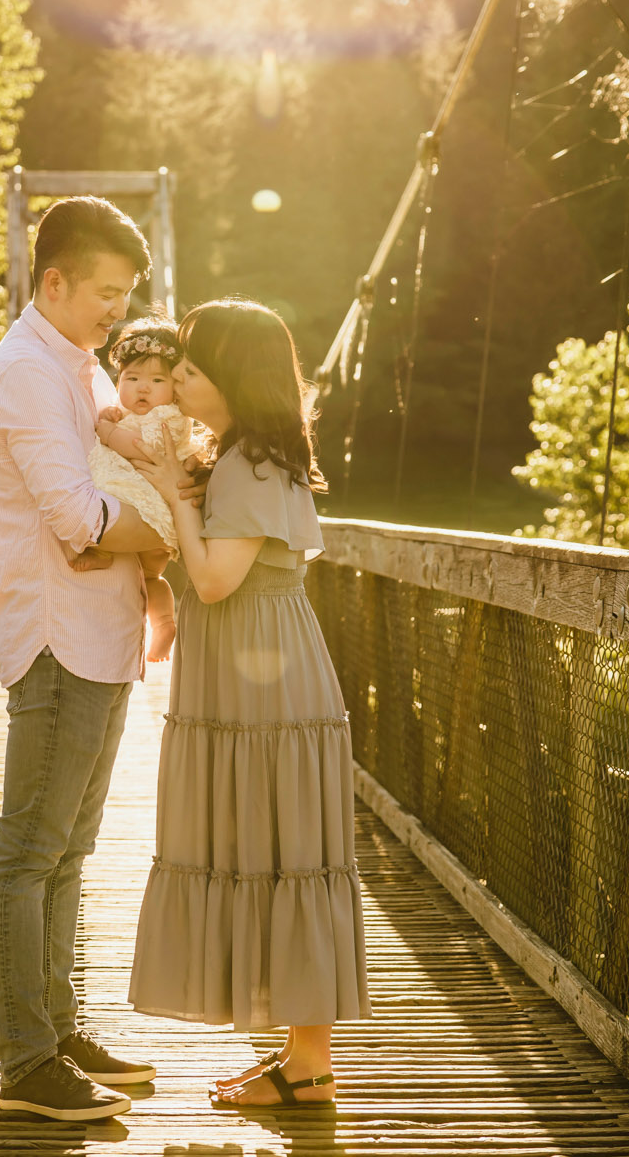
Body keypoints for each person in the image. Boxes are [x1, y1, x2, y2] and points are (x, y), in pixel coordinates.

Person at [125, 297, 372, 1108]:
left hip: (263, 685)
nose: (179, 376)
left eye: (193, 366)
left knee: (288, 851)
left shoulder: (248, 465)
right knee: (278, 849)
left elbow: (212, 580)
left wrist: (174, 492)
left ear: (234, 378)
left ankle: (309, 1067)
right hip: (250, 676)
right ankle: (304, 1063)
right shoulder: (247, 453)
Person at [0, 196, 173, 1122]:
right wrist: (153, 538)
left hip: (105, 637)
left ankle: (57, 1027)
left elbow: (116, 509)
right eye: (104, 292)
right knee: (29, 853)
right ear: (53, 282)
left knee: (69, 851)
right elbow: (80, 520)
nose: (115, 310)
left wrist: (138, 540)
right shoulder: (24, 376)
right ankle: (27, 1063)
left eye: (124, 295)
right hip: (57, 641)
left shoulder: (84, 370)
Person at [89, 314, 196, 663]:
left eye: (156, 380)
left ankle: (163, 622)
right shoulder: (126, 412)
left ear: (174, 389)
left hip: (152, 508)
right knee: (150, 577)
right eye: (132, 378)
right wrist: (114, 417)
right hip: (140, 512)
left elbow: (142, 447)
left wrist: (106, 433)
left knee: (140, 567)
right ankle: (163, 623)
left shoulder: (169, 418)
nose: (142, 388)